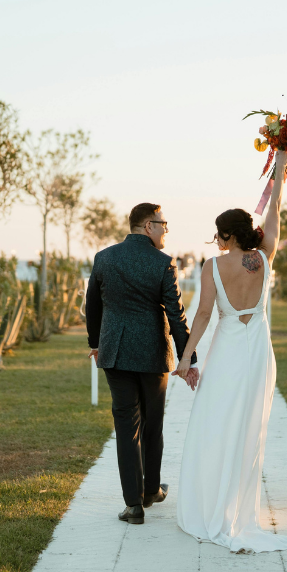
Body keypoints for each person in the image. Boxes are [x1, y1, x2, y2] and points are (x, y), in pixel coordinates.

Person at [173, 149, 287, 553]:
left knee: (214, 426)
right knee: (250, 430)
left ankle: (213, 506)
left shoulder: (214, 266)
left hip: (229, 353)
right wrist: (281, 168)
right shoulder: (264, 257)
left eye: (218, 234)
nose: (215, 240)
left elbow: (201, 316)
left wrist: (185, 360)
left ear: (227, 236)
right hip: (258, 357)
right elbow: (275, 211)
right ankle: (238, 509)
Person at [86, 202, 193, 524]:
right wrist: (188, 356)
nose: (165, 230)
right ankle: (150, 491)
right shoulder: (163, 263)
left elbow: (92, 305)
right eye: (163, 224)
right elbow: (176, 315)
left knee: (126, 427)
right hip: (152, 353)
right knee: (152, 424)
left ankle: (133, 505)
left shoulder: (104, 258)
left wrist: (95, 342)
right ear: (148, 226)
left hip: (115, 354)